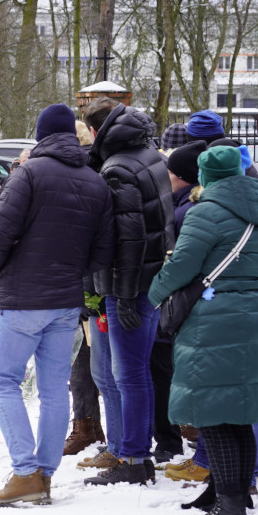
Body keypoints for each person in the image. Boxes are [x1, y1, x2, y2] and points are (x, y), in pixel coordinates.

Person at [0, 104, 114, 504]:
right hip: (66, 300)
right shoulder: (95, 181)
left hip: (23, 298)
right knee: (54, 389)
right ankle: (45, 475)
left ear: (41, 135)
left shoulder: (29, 174)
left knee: (2, 382)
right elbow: (102, 251)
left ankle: (25, 473)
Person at [148, 146, 258, 515]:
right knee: (237, 414)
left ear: (205, 176)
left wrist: (154, 293)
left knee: (213, 414)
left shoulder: (205, 212)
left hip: (215, 321)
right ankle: (230, 493)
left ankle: (230, 507)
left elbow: (183, 266)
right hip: (253, 316)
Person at [82, 97, 174, 486]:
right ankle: (139, 454)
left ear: (95, 131)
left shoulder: (118, 169)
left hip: (130, 287)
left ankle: (134, 458)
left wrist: (121, 297)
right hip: (150, 282)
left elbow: (129, 239)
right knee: (139, 374)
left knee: (130, 376)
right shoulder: (148, 155)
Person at [148, 140, 208, 462]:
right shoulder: (183, 205)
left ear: (182, 177)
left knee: (163, 373)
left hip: (177, 305)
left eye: (169, 172)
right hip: (186, 304)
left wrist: (156, 293)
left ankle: (169, 441)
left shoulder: (185, 212)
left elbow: (178, 264)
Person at [64, 120, 107, 456]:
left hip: (86, 281)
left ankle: (87, 426)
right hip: (93, 280)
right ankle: (89, 426)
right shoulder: (102, 168)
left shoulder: (83, 174)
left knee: (84, 360)